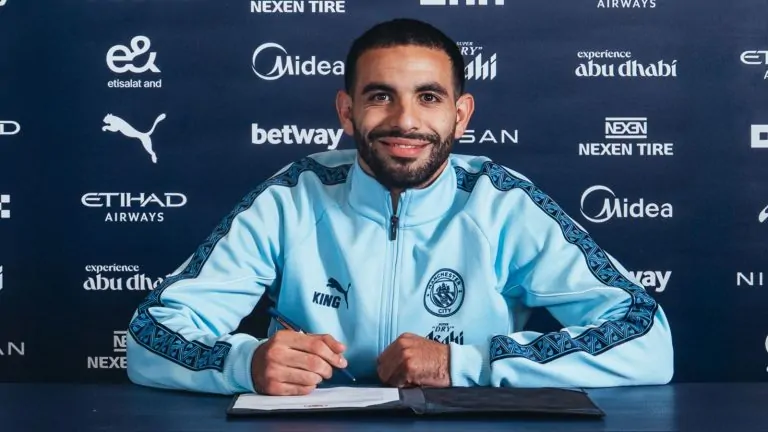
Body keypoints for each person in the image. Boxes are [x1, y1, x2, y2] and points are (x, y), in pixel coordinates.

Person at [125, 18, 674, 396]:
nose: (405, 120)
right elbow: (150, 334)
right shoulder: (293, 196)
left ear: (461, 114)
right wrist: (243, 364)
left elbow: (646, 338)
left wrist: (465, 364)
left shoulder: (500, 202)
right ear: (347, 111)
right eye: (380, 95)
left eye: (428, 97)